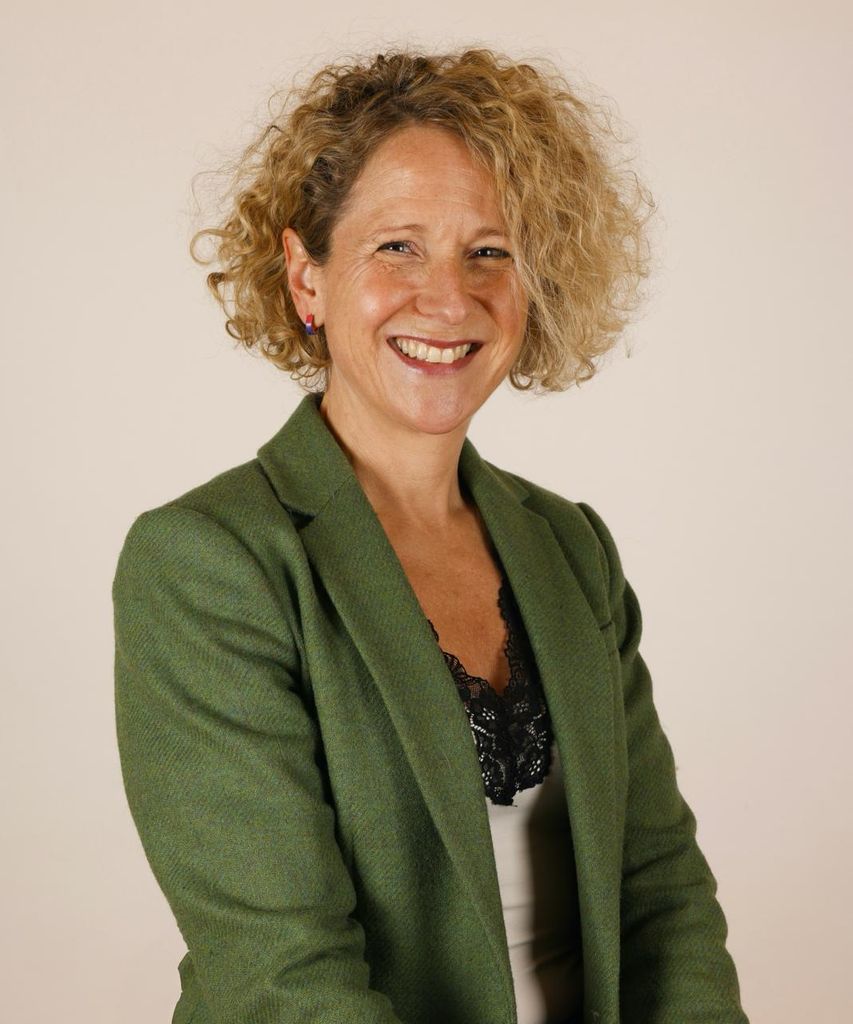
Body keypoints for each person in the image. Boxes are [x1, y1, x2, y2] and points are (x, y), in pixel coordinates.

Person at [112, 47, 749, 1024]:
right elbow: (283, 972)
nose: (449, 298)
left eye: (488, 250)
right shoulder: (210, 562)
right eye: (397, 246)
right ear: (306, 276)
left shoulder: (571, 547)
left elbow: (661, 894)